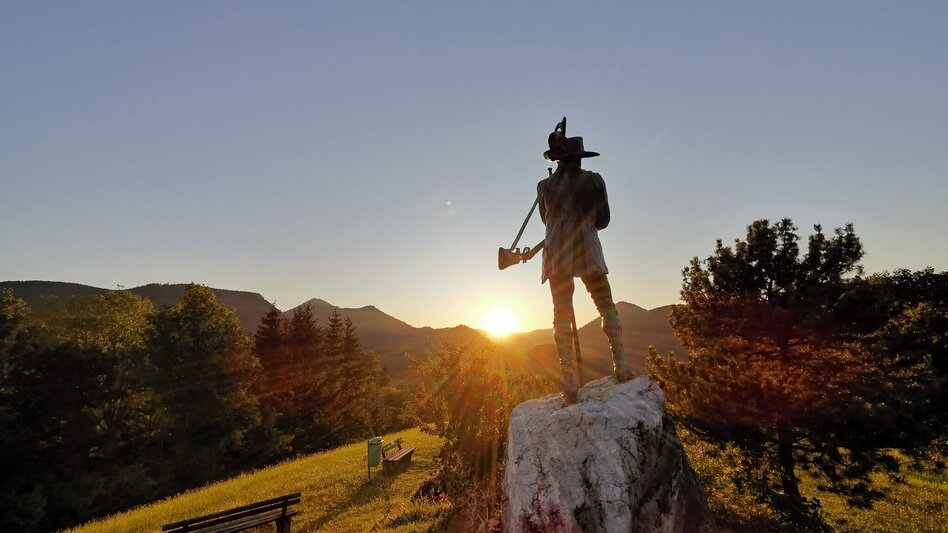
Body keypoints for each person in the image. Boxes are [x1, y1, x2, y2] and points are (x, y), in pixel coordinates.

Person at [537, 117, 633, 404]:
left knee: (561, 310)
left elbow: (546, 220)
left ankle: (568, 379)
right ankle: (620, 364)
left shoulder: (544, 185)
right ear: (578, 157)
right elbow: (603, 219)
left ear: (557, 159)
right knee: (605, 303)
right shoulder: (594, 180)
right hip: (587, 247)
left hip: (556, 252)